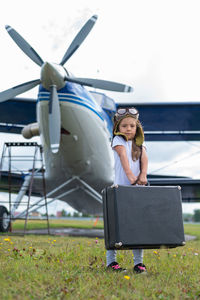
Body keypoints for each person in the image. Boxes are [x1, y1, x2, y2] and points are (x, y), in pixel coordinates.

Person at [106, 107, 148, 274]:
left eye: (132, 125)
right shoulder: (118, 141)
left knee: (137, 226)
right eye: (124, 126)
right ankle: (112, 262)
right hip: (120, 189)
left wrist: (143, 175)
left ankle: (138, 263)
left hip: (138, 191)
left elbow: (144, 158)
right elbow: (123, 156)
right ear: (118, 127)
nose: (128, 129)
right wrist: (130, 176)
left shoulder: (140, 144)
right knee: (115, 226)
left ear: (137, 126)